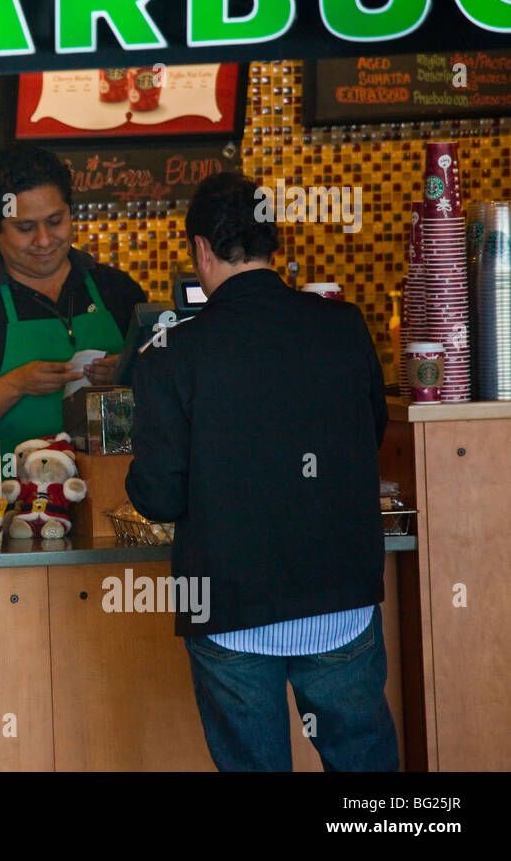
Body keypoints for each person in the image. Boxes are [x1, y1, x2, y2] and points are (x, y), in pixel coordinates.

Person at [126, 171, 397, 772]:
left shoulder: (172, 352)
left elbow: (160, 497)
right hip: (341, 603)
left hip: (231, 615)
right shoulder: (342, 326)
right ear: (273, 241)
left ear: (200, 248)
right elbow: (369, 434)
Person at [0, 144, 146, 451]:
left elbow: (173, 397)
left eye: (55, 221)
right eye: (25, 227)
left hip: (117, 491)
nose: (43, 240)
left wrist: (128, 374)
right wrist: (16, 385)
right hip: (8, 495)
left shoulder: (118, 291)